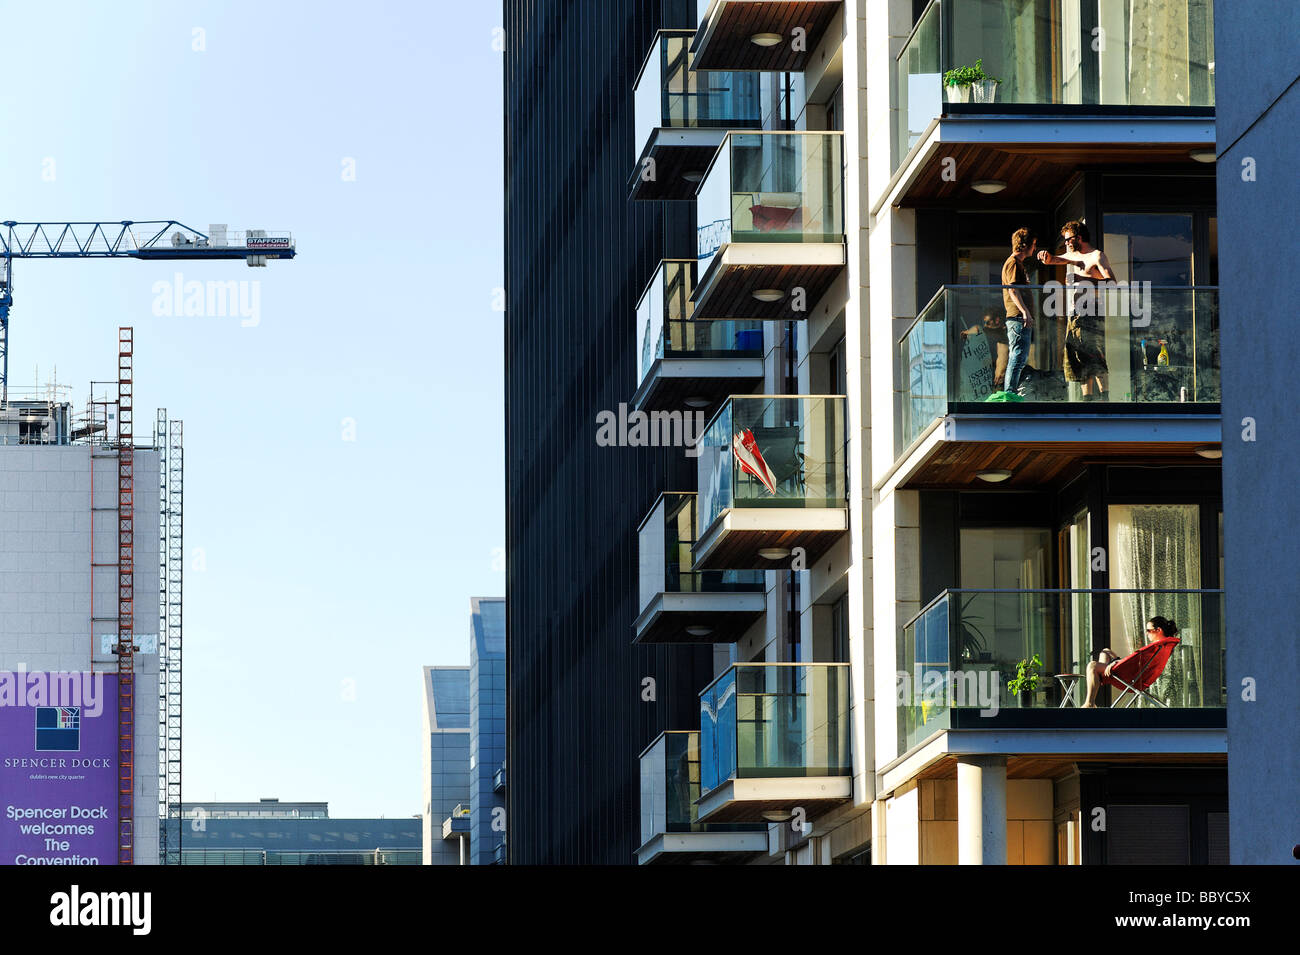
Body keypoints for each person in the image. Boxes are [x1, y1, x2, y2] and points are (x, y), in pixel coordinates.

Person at [1037, 220, 1114, 400]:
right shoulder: (1073, 255)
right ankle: (1087, 400)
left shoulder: (1097, 256)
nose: (1066, 244)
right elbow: (1056, 259)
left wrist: (1084, 279)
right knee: (1078, 356)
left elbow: (1112, 283)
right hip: (1075, 313)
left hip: (1092, 310)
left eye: (1068, 240)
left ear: (1079, 238)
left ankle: (1105, 398)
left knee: (1095, 355)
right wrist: (1047, 258)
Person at [1082, 616, 1179, 707]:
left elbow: (1136, 659)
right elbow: (1135, 660)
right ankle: (1100, 676)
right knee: (1105, 652)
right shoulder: (1163, 646)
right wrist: (1117, 662)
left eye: (1148, 631)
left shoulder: (1155, 647)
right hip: (1133, 673)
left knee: (1092, 666)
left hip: (1130, 677)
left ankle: (1089, 703)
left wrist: (1115, 663)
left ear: (1158, 630)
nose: (1146, 634)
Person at [1002, 228, 1038, 396]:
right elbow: (1013, 290)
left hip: (1019, 317)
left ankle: (1011, 391)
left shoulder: (1017, 264)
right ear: (1025, 245)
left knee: (1019, 356)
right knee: (1017, 356)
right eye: (1033, 245)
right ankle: (1010, 393)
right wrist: (1025, 312)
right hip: (1017, 317)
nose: (1034, 248)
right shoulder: (1013, 263)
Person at [960, 310, 1009, 395]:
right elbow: (976, 329)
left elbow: (1003, 357)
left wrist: (999, 373)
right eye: (985, 323)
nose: (986, 326)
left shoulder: (1002, 337)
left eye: (988, 323)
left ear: (997, 321)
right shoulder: (986, 332)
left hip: (996, 378)